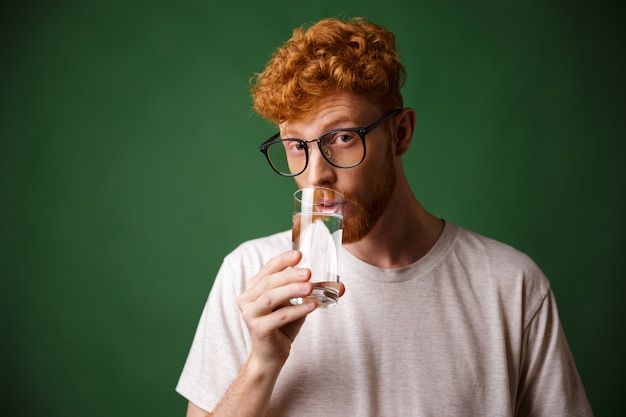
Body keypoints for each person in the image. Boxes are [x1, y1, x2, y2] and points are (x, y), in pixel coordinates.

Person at [176, 17, 593, 417]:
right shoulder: (248, 276)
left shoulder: (511, 286)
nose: (316, 173)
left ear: (400, 134)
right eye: (296, 146)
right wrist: (262, 365)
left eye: (341, 138)